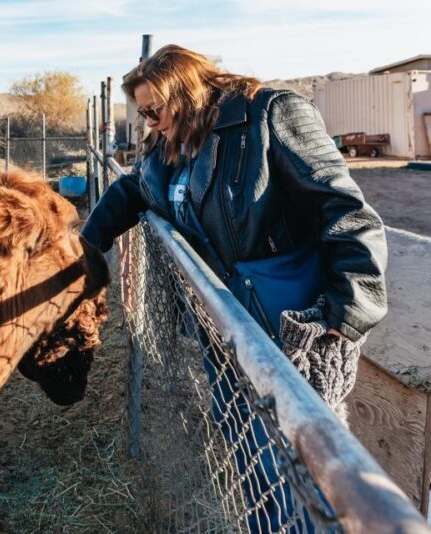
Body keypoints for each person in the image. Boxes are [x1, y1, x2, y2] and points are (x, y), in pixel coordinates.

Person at [81, 44, 388, 532]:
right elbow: (135, 188)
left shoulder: (269, 114)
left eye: (153, 109)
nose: (150, 122)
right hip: (221, 329)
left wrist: (349, 312)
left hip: (286, 328)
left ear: (183, 91)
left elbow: (343, 208)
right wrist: (81, 248)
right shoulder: (171, 146)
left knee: (293, 464)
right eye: (143, 113)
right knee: (248, 450)